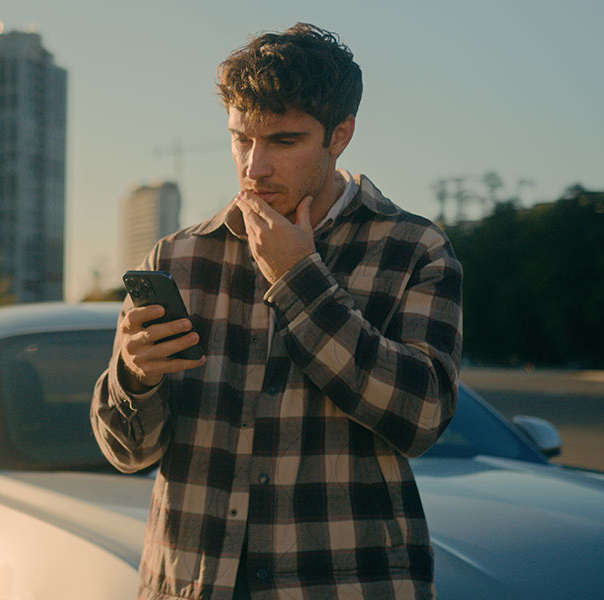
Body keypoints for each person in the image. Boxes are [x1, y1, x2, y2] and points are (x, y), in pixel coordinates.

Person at [91, 23, 462, 600]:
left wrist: (299, 278)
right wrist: (134, 378)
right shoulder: (179, 258)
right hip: (191, 581)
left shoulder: (413, 248)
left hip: (348, 584)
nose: (254, 166)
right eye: (242, 139)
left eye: (283, 142)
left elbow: (421, 418)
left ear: (340, 134)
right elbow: (125, 451)